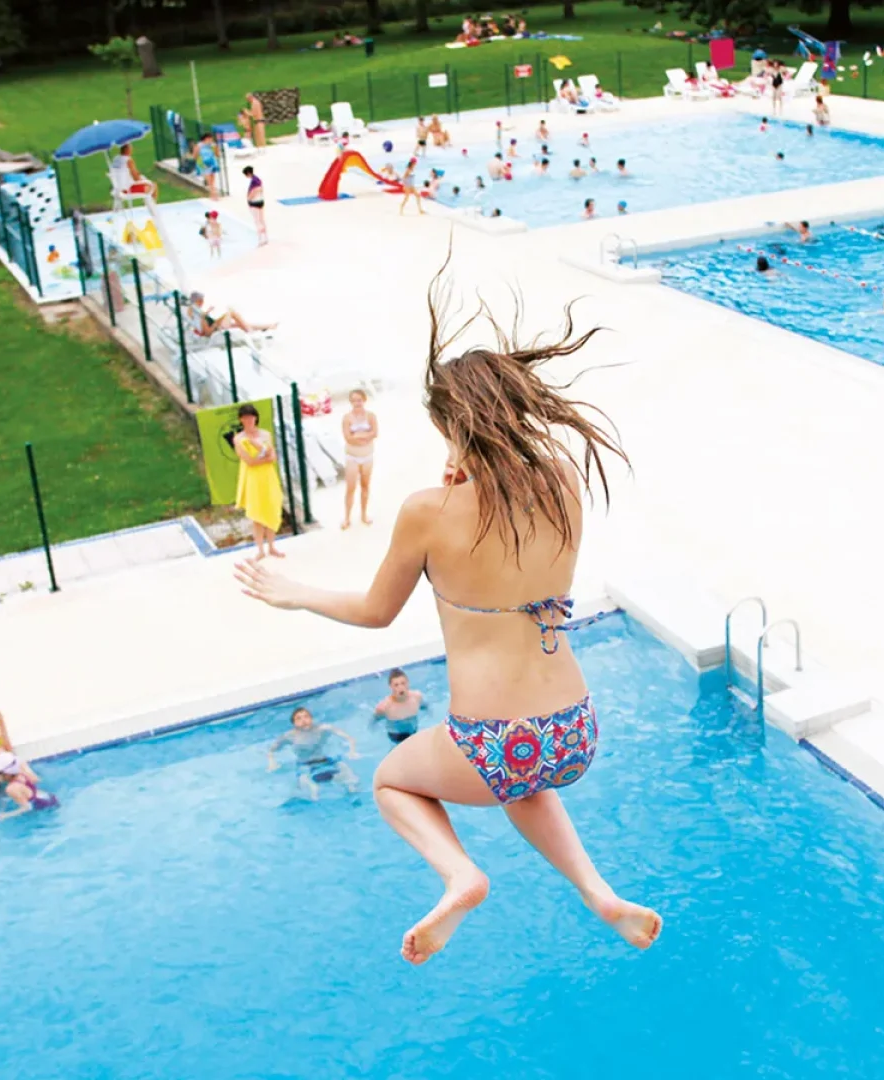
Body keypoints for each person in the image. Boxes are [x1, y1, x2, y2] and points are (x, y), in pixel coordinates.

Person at [234, 263, 662, 965]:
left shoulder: (427, 512)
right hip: (574, 728)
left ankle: (460, 875)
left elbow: (377, 613)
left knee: (391, 779)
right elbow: (513, 517)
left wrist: (297, 593)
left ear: (455, 429)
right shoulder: (563, 484)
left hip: (489, 742)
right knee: (523, 786)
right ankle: (598, 892)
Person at [268, 707, 361, 800]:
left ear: (311, 718)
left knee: (351, 782)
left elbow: (349, 738)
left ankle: (354, 798)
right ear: (294, 723)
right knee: (313, 791)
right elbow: (271, 750)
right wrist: (272, 763)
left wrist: (352, 752)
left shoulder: (323, 729)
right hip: (305, 766)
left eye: (306, 716)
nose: (303, 720)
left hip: (326, 761)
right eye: (299, 718)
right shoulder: (289, 736)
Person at [233, 404, 286, 559]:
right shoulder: (239, 439)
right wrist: (264, 458)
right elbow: (249, 461)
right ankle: (260, 549)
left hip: (268, 476)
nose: (249, 420)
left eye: (251, 417)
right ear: (241, 419)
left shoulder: (265, 434)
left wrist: (263, 458)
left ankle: (272, 546)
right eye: (245, 418)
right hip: (253, 478)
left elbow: (273, 457)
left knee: (271, 508)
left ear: (256, 417)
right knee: (257, 513)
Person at [342, 388, 378, 529]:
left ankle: (364, 514)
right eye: (354, 400)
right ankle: (347, 517)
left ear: (364, 400)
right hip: (353, 456)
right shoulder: (347, 418)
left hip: (367, 456)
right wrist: (364, 436)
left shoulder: (370, 416)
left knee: (365, 485)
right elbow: (348, 437)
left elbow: (375, 432)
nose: (357, 403)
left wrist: (359, 436)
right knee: (350, 487)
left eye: (359, 400)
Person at [0, 751, 58, 819]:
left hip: (43, 807)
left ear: (7, 773)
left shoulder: (11, 788)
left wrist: (5, 815)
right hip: (49, 797)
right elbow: (36, 781)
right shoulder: (21, 773)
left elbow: (27, 807)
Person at [186, 291, 276, 338]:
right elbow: (208, 333)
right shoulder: (201, 317)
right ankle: (250, 331)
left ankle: (267, 327)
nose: (203, 302)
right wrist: (215, 323)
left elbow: (197, 320)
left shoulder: (193, 312)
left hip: (215, 328)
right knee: (231, 311)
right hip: (217, 331)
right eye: (201, 300)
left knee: (238, 324)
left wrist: (207, 313)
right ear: (197, 301)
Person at [374, 668, 426, 744]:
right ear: (391, 687)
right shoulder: (384, 707)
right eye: (396, 685)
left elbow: (425, 707)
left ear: (408, 683)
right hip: (396, 736)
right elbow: (375, 720)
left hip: (414, 731)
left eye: (403, 683)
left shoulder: (417, 697)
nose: (400, 687)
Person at [242, 167, 268, 245]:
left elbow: (254, 192)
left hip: (254, 202)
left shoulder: (253, 182)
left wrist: (249, 198)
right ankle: (265, 237)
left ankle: (260, 239)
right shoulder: (258, 180)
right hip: (260, 201)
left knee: (257, 221)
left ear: (248, 173)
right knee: (261, 220)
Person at [195, 133, 220, 199]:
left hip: (212, 162)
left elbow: (217, 154)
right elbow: (195, 155)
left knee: (212, 179)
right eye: (210, 138)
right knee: (208, 178)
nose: (211, 140)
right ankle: (214, 194)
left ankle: (212, 194)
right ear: (205, 139)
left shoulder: (213, 145)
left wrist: (216, 149)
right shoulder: (199, 145)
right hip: (203, 163)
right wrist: (200, 163)